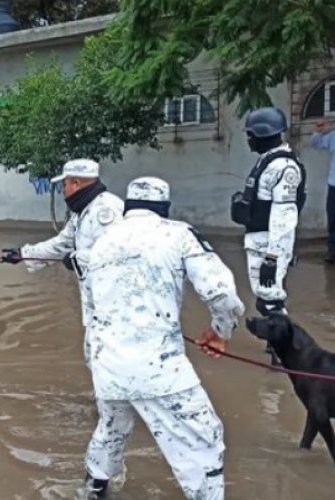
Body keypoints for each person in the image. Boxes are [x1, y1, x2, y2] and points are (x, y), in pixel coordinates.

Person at [75, 177, 245, 500]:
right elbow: (222, 295)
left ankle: (94, 488)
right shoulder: (177, 233)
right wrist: (220, 333)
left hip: (107, 363)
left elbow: (93, 310)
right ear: (165, 208)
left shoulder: (100, 244)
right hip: (159, 368)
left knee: (112, 427)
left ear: (128, 208)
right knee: (205, 438)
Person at [0, 159, 124, 326]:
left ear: (76, 183)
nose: (63, 191)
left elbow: (115, 255)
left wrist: (77, 258)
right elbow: (62, 244)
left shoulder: (105, 210)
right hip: (95, 299)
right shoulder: (83, 211)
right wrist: (24, 254)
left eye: (64, 185)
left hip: (115, 301)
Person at [231, 106, 305, 318]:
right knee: (265, 299)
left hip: (270, 245)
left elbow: (284, 217)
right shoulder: (268, 160)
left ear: (261, 134)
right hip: (259, 241)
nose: (249, 139)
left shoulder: (284, 167)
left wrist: (272, 258)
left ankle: (285, 349)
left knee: (270, 300)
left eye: (250, 134)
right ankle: (278, 348)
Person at [310, 120, 335, 263]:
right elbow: (316, 144)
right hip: (334, 185)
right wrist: (318, 132)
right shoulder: (333, 137)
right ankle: (332, 253)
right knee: (333, 221)